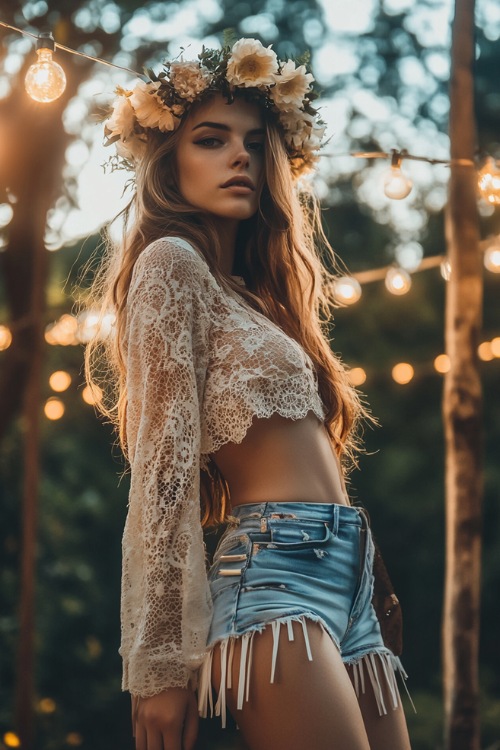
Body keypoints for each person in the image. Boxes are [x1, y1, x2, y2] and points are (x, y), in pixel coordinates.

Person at [85, 37, 412, 750]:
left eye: (256, 144)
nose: (241, 157)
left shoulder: (257, 301)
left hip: (349, 576)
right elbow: (163, 477)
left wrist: (372, 570)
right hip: (272, 579)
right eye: (212, 140)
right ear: (168, 161)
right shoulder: (171, 265)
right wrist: (160, 668)